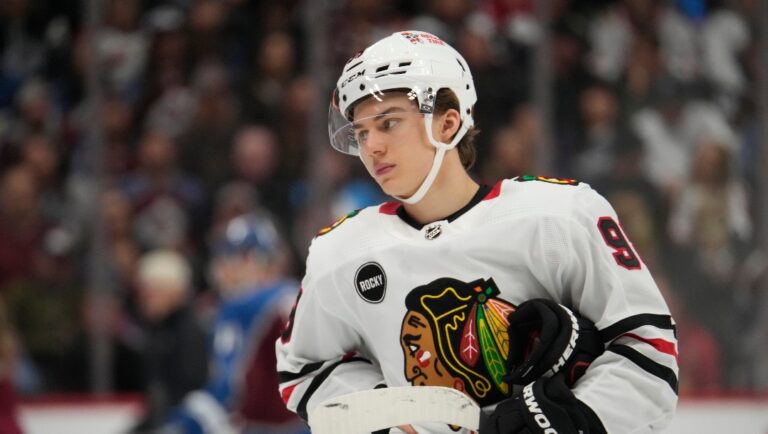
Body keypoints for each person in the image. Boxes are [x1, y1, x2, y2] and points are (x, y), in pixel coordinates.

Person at [276, 30, 678, 433]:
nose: (372, 147)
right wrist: (392, 415)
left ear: (448, 123)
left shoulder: (559, 217)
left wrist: (571, 419)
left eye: (389, 122)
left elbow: (649, 348)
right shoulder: (342, 254)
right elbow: (301, 369)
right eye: (361, 133)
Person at [160, 212, 308, 434]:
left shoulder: (245, 305)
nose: (220, 271)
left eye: (227, 258)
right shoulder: (299, 294)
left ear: (250, 260)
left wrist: (184, 423)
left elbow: (228, 390)